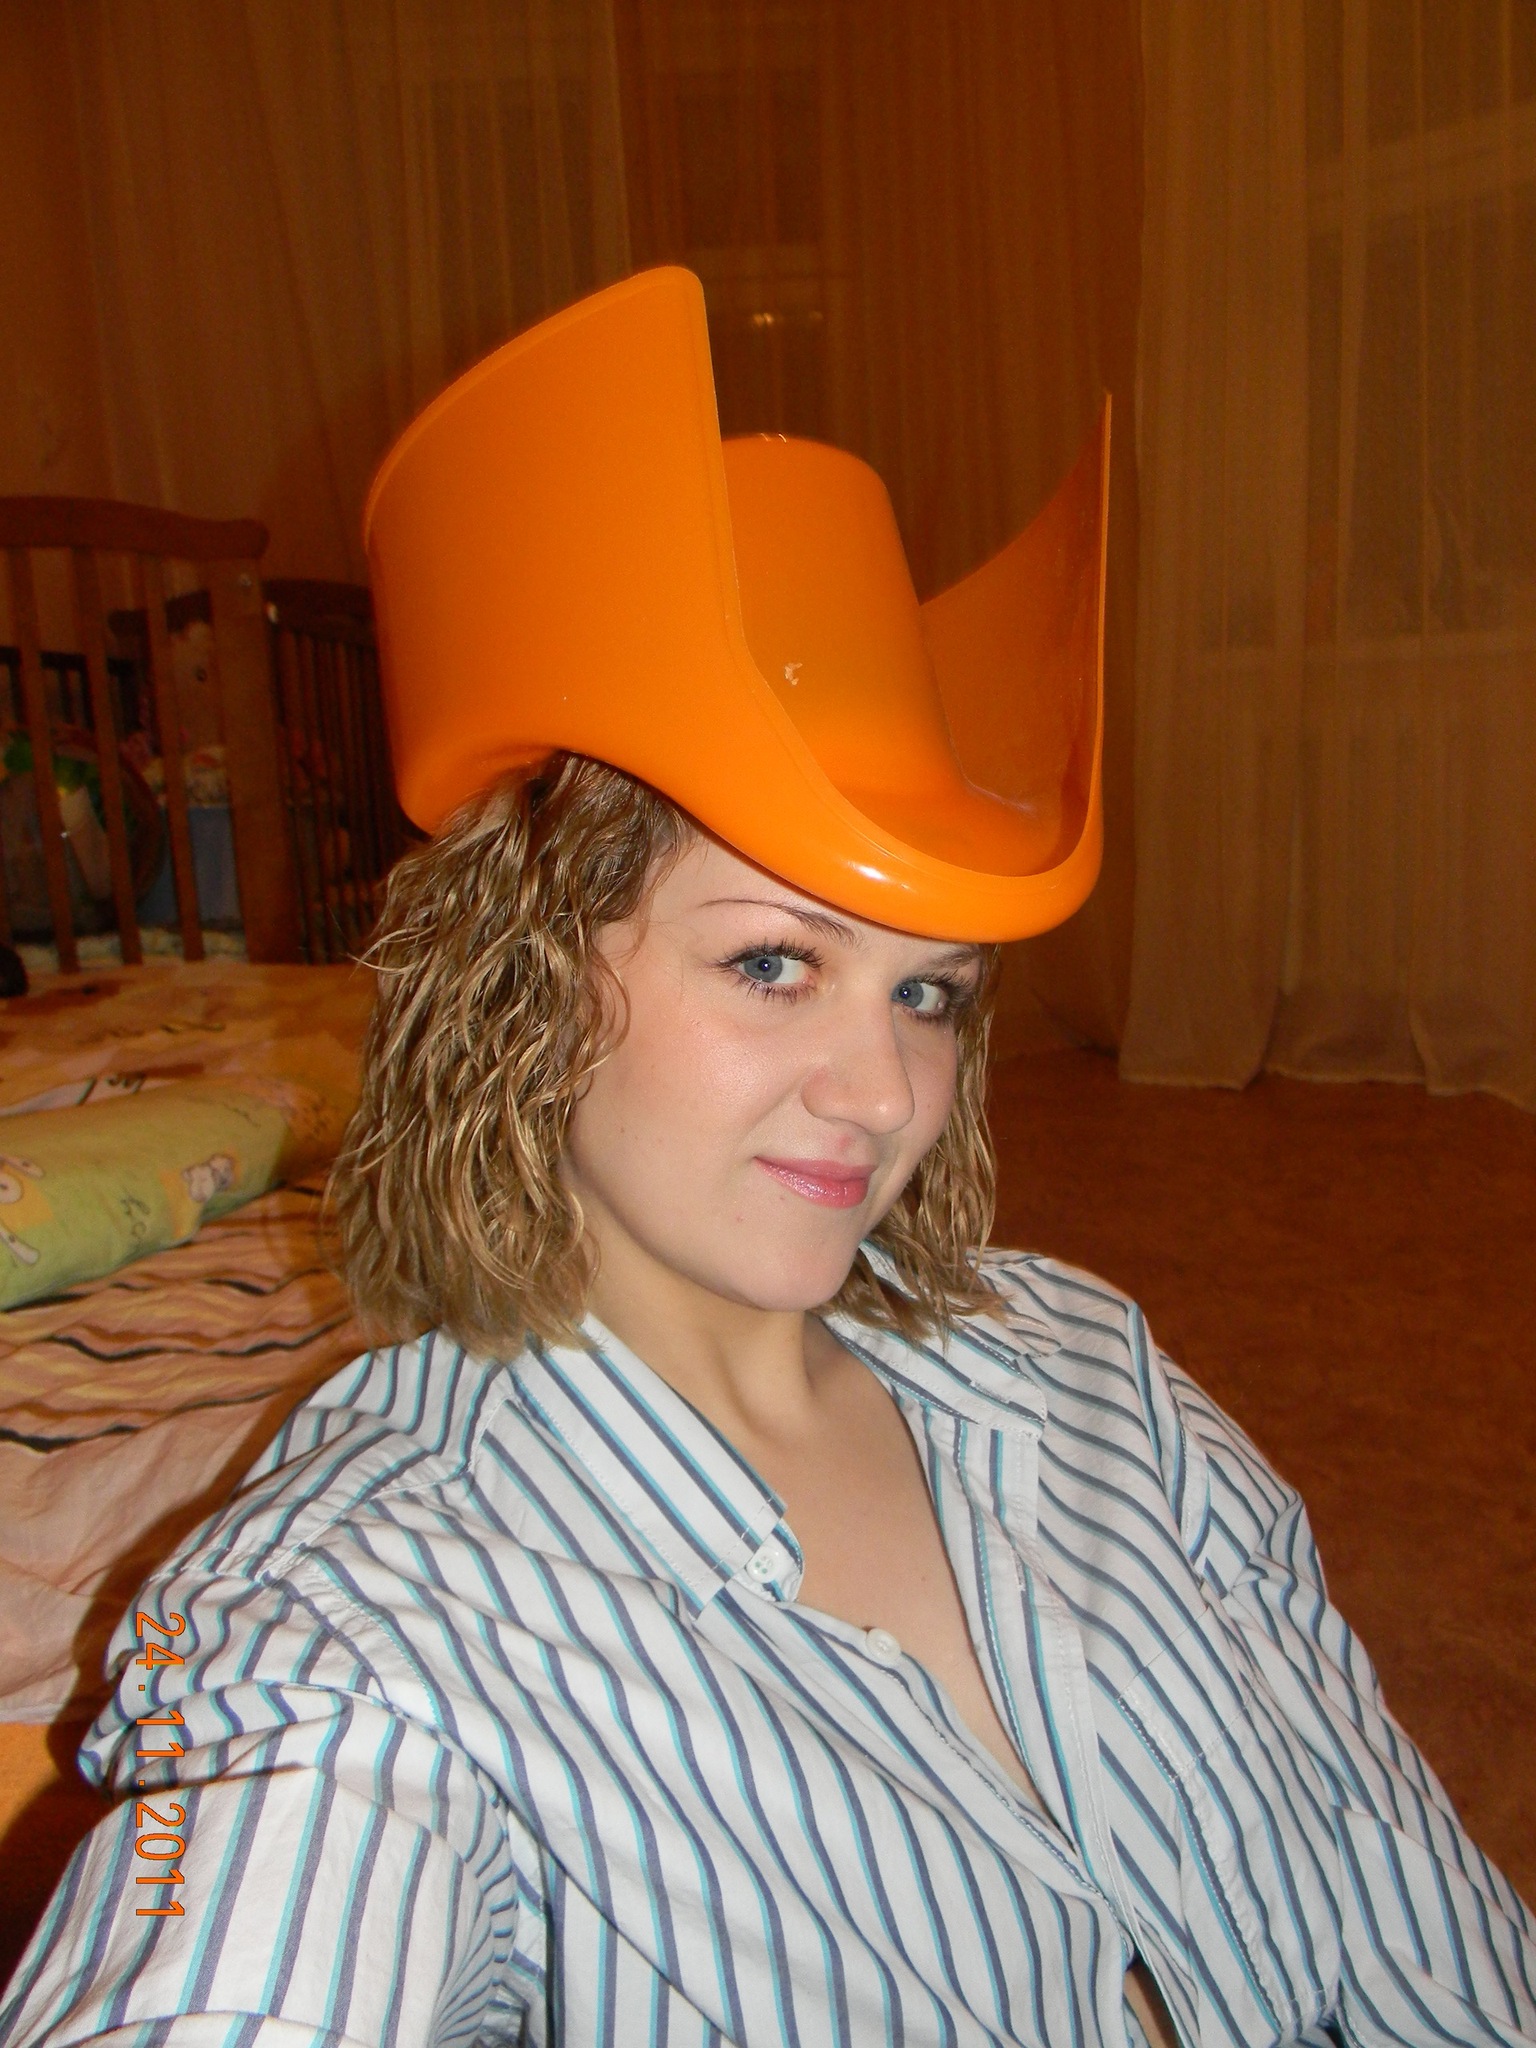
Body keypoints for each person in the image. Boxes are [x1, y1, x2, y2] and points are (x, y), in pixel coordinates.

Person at [2, 269, 1531, 2048]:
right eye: (775, 964)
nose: (883, 1093)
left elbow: (1424, 1928)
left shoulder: (1091, 1372)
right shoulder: (373, 1617)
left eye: (930, 993)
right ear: (523, 982)